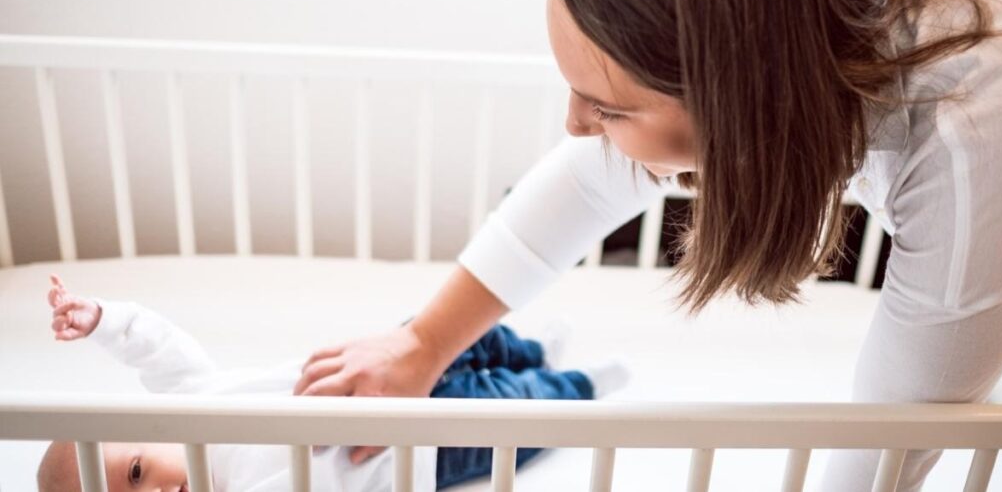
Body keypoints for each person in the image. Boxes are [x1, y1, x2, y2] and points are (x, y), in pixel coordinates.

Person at [293, 0, 1002, 491]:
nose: (576, 125)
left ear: (737, 103)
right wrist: (421, 343)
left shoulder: (973, 135)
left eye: (607, 108)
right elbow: (588, 179)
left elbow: (895, 432)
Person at [39, 275, 627, 492]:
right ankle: (577, 387)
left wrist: (105, 321)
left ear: (146, 423)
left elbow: (162, 347)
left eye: (136, 473)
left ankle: (532, 350)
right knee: (512, 413)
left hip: (375, 375)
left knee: (466, 340)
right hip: (417, 453)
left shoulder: (189, 403)